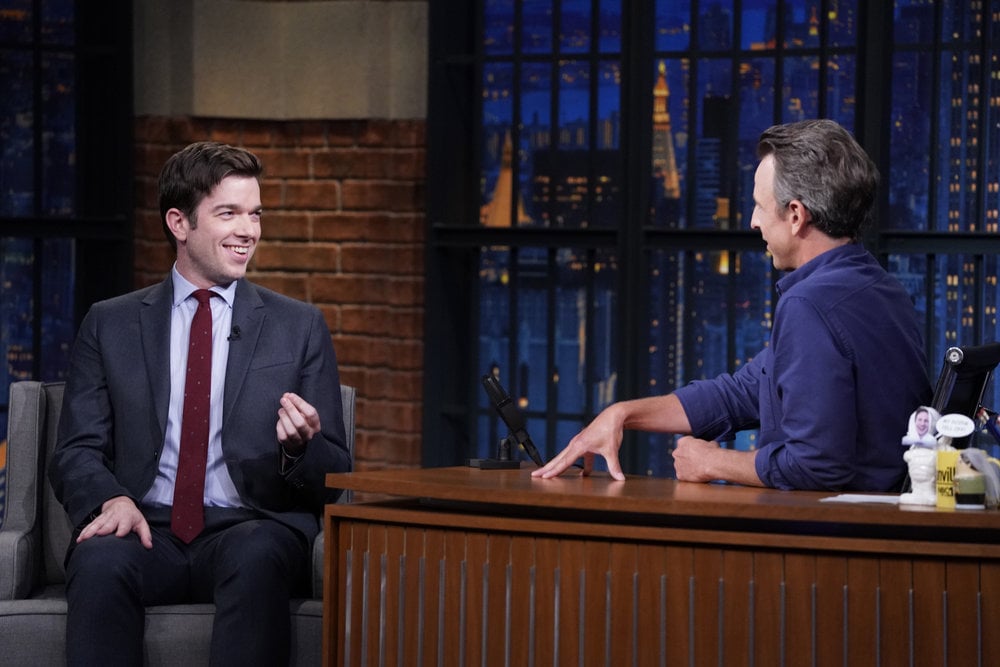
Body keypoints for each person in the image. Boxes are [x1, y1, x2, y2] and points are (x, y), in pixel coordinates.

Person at [48, 141, 351, 665]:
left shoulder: (298, 327)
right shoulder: (111, 322)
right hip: (146, 526)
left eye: (255, 214)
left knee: (258, 553)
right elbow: (77, 449)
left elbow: (337, 472)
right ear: (179, 223)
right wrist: (110, 500)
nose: (248, 231)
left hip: (248, 527)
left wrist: (301, 449)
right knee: (98, 561)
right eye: (228, 213)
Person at [534, 119, 931, 491]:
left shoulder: (809, 304)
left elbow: (817, 465)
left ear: (796, 215)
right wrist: (622, 413)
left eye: (759, 205)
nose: (753, 222)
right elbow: (743, 392)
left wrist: (713, 462)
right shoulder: (882, 289)